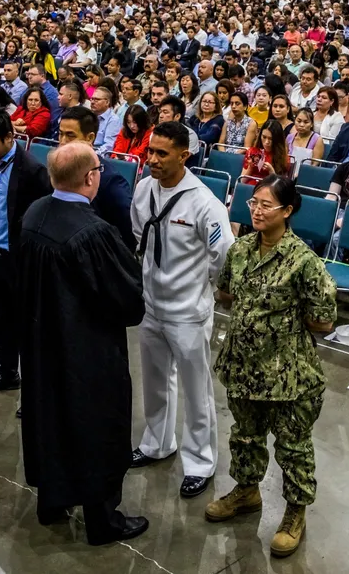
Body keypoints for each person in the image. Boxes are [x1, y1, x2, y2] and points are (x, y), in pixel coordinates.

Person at [17, 141, 149, 546]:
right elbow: (127, 301)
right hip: (86, 350)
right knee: (96, 424)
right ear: (91, 177)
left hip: (41, 343)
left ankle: (52, 502)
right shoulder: (93, 232)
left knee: (49, 418)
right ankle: (102, 520)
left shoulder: (35, 213)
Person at [208, 175, 337, 559]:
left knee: (293, 447)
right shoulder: (242, 249)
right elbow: (227, 293)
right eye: (253, 203)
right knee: (245, 435)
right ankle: (247, 492)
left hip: (289, 376)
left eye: (266, 205)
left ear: (288, 211)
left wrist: (280, 329)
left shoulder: (303, 261)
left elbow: (324, 320)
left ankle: (295, 513)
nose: (257, 210)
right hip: (243, 366)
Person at [130, 121, 233, 499]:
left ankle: (201, 461)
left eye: (161, 153)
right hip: (151, 305)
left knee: (196, 389)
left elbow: (223, 255)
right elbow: (139, 234)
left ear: (183, 155)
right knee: (155, 381)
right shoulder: (144, 190)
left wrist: (200, 283)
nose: (152, 159)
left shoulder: (204, 202)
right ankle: (157, 442)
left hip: (188, 311)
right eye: (150, 151)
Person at [0, 106, 52, 395]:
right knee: (0, 318)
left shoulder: (32, 170)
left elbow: (43, 217)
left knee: (26, 324)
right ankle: (7, 372)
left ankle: (34, 388)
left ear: (9, 137)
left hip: (18, 259)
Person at [57, 105, 135, 250]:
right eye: (60, 134)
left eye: (70, 135)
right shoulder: (58, 169)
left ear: (90, 138)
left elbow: (125, 230)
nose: (63, 141)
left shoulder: (109, 180)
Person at [286, 107, 325, 174]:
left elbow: (315, 164)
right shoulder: (289, 137)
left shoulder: (317, 139)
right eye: (299, 121)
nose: (301, 125)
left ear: (311, 124)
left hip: (307, 175)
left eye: (306, 122)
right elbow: (284, 159)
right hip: (288, 174)